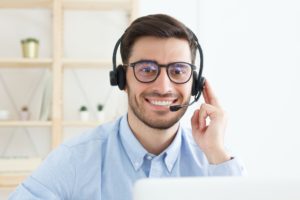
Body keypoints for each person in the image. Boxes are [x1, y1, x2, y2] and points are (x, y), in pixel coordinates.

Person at [9, 14, 246, 200]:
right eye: (146, 70)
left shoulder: (213, 161)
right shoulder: (75, 159)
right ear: (122, 79)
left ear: (194, 83)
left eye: (177, 70)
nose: (163, 87)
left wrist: (216, 153)